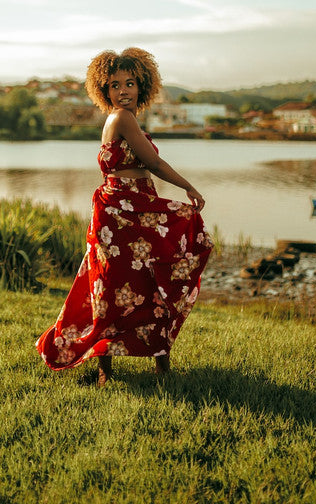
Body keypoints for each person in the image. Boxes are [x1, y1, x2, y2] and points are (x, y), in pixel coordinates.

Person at [36, 47, 213, 385]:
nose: (123, 91)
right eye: (115, 86)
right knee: (142, 283)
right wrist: (190, 189)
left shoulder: (117, 120)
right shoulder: (122, 118)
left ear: (142, 85)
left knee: (116, 286)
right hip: (124, 210)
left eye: (130, 83)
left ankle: (122, 370)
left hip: (126, 209)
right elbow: (154, 163)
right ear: (104, 91)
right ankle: (145, 369)